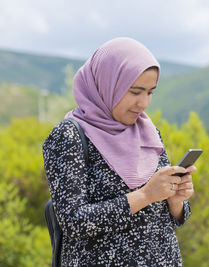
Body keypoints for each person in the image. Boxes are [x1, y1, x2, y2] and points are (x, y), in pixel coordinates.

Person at [42, 37, 196, 266]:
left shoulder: (147, 132)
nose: (144, 103)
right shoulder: (69, 136)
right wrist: (145, 195)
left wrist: (176, 200)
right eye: (135, 92)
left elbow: (167, 218)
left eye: (150, 92)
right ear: (106, 84)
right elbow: (74, 222)